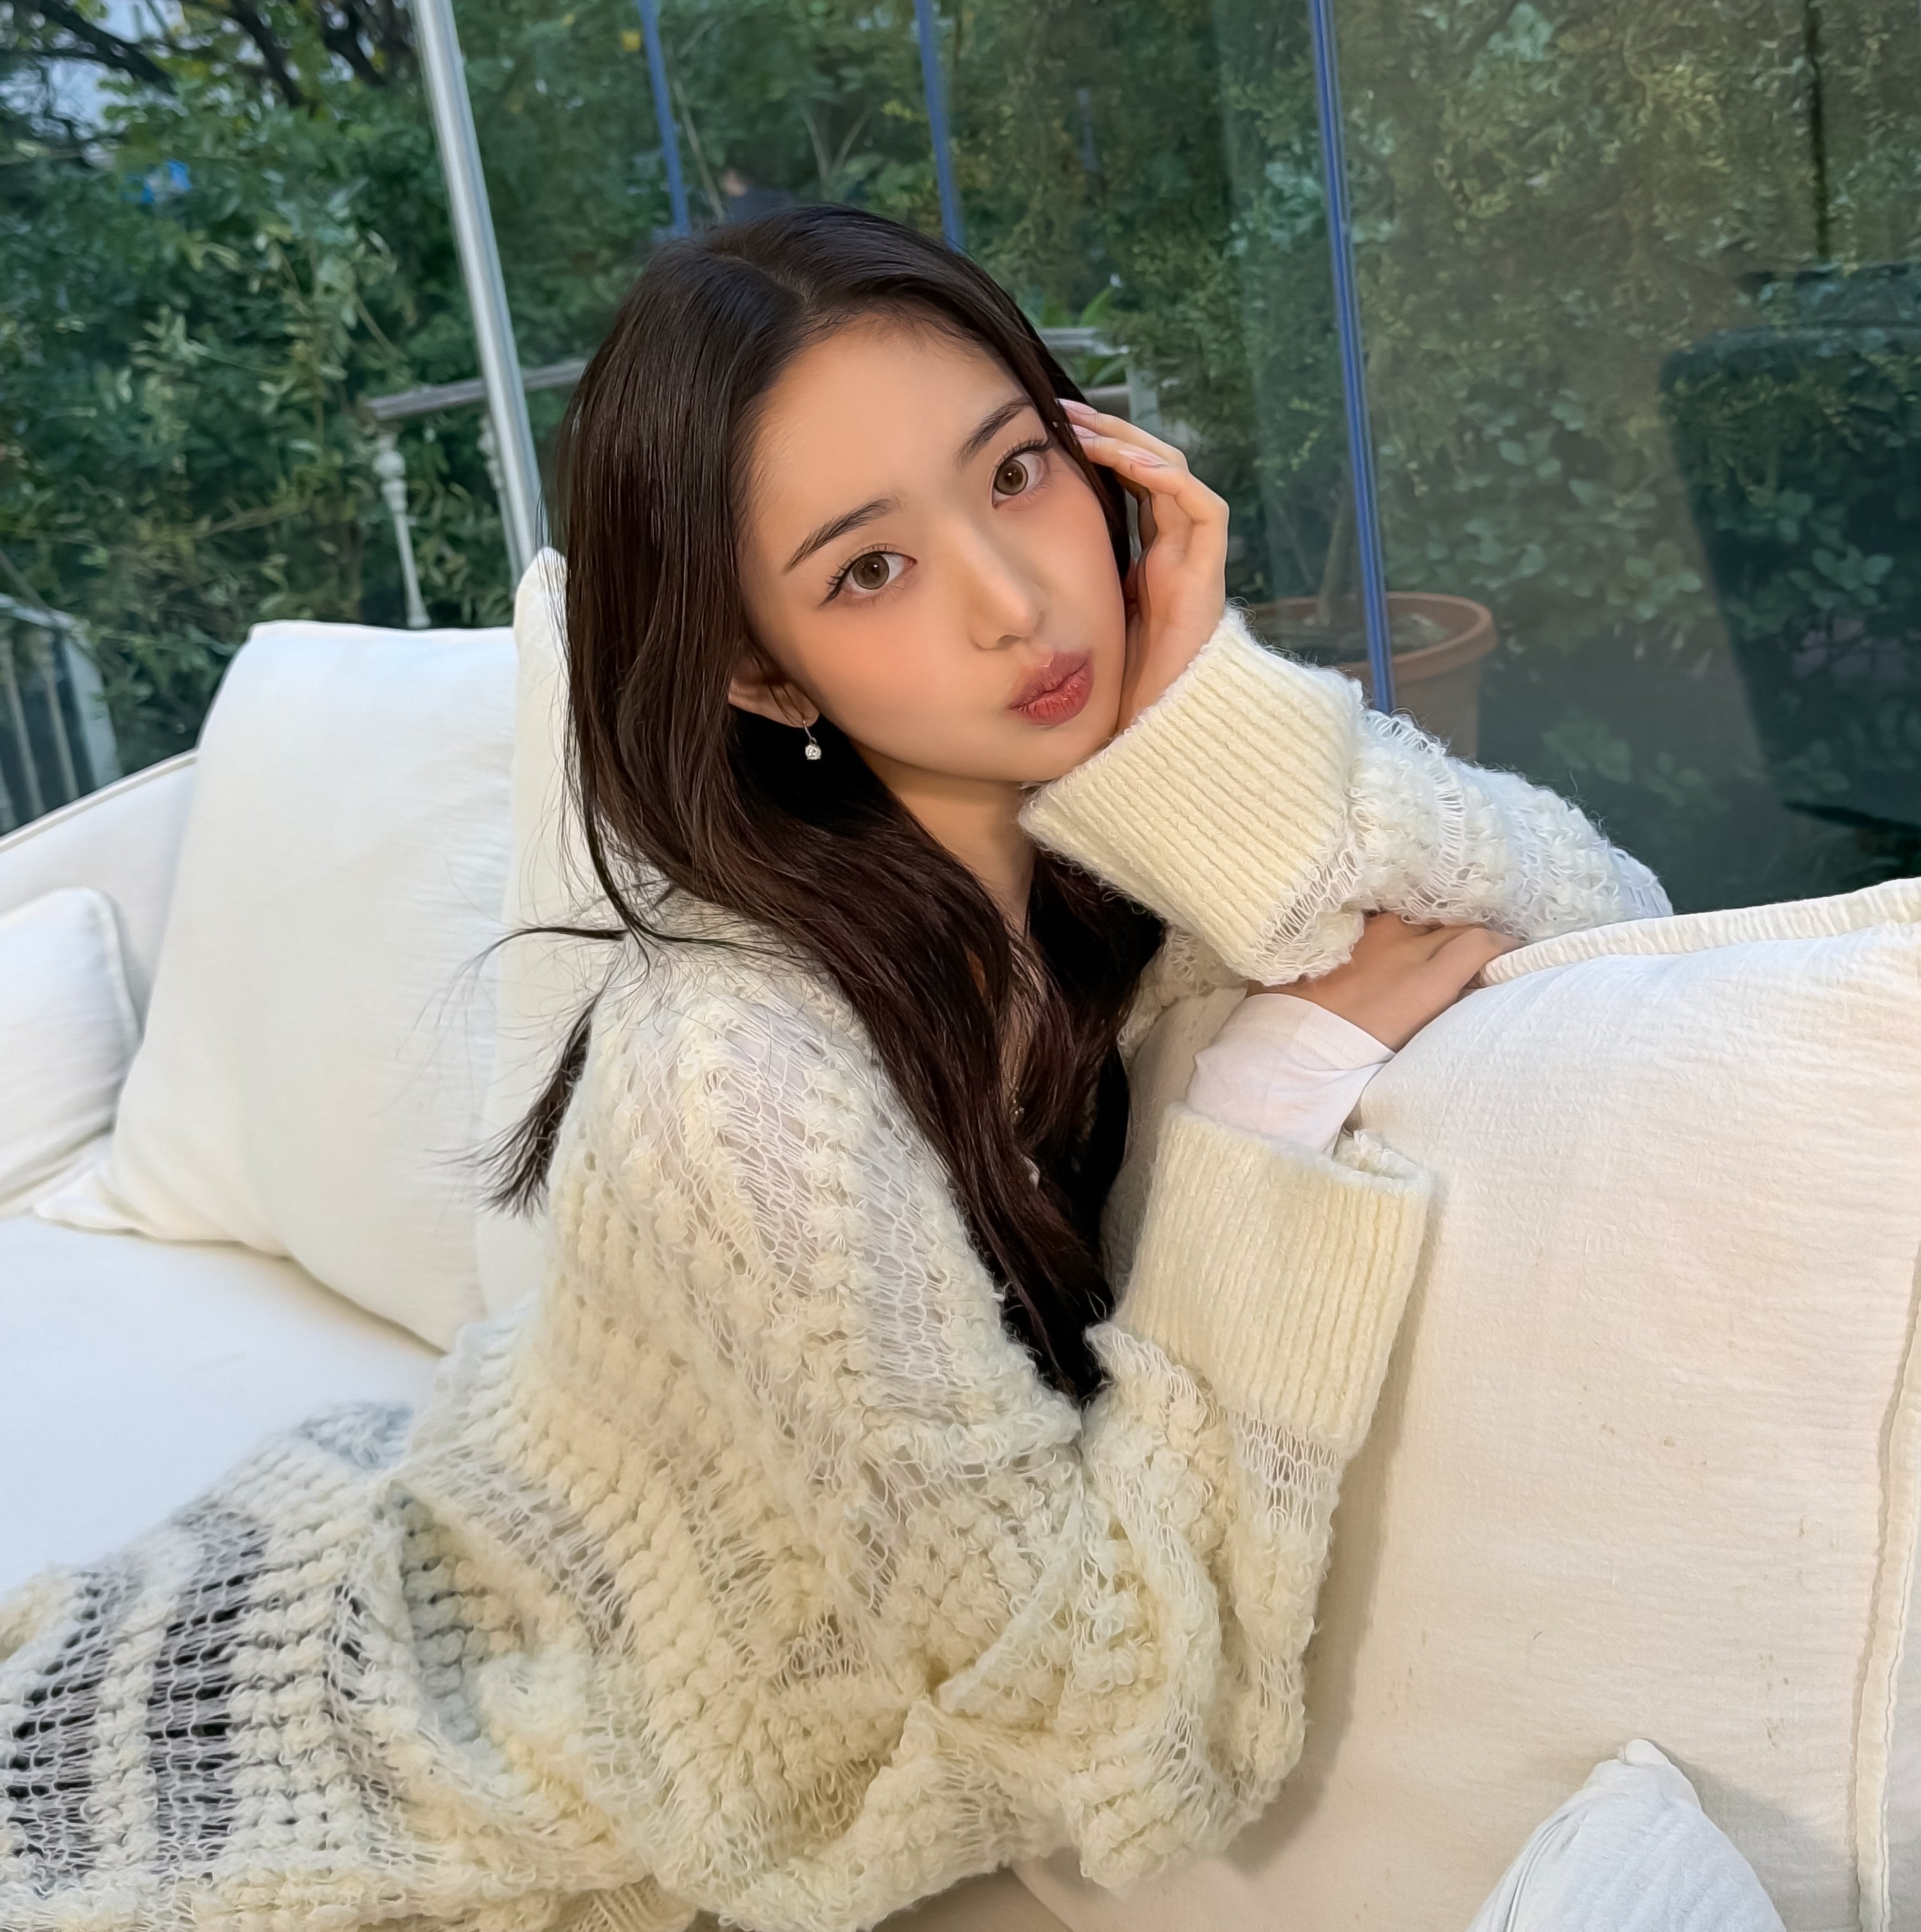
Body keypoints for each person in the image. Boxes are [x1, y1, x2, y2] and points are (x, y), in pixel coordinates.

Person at [1, 205, 1722, 1932]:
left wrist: (1207, 716)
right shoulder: (733, 1084)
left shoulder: (1126, 848)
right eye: (869, 571)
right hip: (475, 1681)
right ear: (762, 671)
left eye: (1017, 474)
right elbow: (1113, 1736)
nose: (1015, 601)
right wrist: (1265, 1105)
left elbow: (1611, 923)